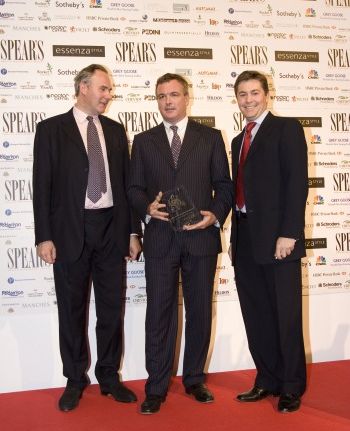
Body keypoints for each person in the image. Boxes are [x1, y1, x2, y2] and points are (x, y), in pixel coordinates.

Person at [32, 64, 142, 412]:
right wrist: (44, 236)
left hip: (111, 229)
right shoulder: (51, 130)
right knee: (72, 310)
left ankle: (108, 377)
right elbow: (42, 187)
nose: (108, 95)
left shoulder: (114, 130)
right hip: (69, 232)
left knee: (111, 310)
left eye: (109, 90)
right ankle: (75, 379)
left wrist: (132, 231)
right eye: (103, 89)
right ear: (83, 88)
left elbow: (125, 187)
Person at [128, 73, 232, 414]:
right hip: (159, 240)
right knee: (159, 313)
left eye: (173, 94)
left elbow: (224, 186)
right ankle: (155, 386)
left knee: (201, 310)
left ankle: (194, 379)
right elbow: (133, 188)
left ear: (187, 97)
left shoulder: (211, 137)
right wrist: (146, 207)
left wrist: (213, 215)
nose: (167, 101)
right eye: (161, 96)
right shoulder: (143, 141)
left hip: (201, 238)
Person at [229, 70, 308, 413]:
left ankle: (291, 385)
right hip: (245, 237)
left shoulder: (287, 129)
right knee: (256, 313)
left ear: (266, 94)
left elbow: (296, 183)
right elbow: (239, 194)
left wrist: (289, 232)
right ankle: (267, 379)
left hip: (279, 240)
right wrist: (234, 236)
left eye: (254, 92)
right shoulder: (237, 140)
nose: (248, 99)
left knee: (285, 315)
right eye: (242, 94)